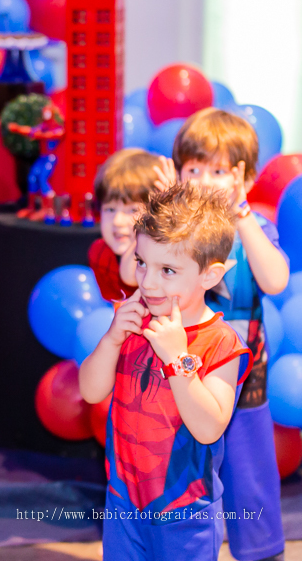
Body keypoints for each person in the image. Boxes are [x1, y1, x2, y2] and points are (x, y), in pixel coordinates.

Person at [79, 183, 250, 561]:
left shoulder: (221, 342)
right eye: (142, 262)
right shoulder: (135, 321)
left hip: (185, 512)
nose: (148, 281)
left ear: (210, 275)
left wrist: (178, 359)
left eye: (167, 270)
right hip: (123, 502)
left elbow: (209, 428)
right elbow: (90, 392)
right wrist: (110, 340)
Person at [167, 108, 289, 561]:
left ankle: (260, 549)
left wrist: (241, 215)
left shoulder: (253, 228)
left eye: (219, 171)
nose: (203, 181)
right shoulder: (172, 234)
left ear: (246, 179)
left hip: (244, 380)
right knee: (184, 474)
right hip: (185, 376)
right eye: (194, 168)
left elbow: (275, 280)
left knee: (249, 470)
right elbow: (136, 274)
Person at [87, 148, 161, 301]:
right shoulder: (99, 253)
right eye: (110, 209)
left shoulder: (162, 257)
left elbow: (130, 275)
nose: (117, 221)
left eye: (133, 209)